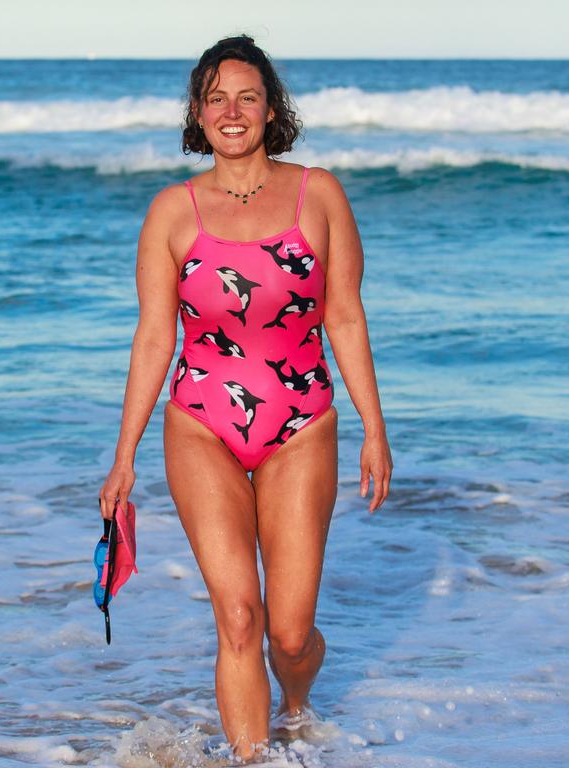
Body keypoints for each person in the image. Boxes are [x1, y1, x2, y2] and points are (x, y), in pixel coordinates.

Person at [98, 34, 393, 761]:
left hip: (300, 424)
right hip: (201, 424)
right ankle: (254, 759)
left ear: (271, 109)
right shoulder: (171, 212)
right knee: (238, 617)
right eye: (216, 99)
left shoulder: (318, 193)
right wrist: (123, 455)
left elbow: (346, 316)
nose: (232, 112)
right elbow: (151, 340)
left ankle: (296, 701)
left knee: (288, 634)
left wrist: (374, 428)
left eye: (247, 97)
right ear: (198, 115)